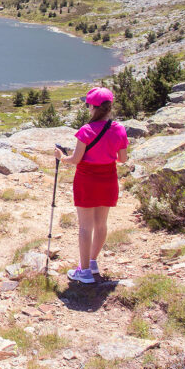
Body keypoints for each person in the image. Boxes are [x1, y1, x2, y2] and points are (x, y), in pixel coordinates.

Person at [54, 87, 128, 284]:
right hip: (108, 179)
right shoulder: (119, 129)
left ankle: (84, 271)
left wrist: (61, 157)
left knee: (85, 226)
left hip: (87, 181)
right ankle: (93, 262)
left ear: (93, 107)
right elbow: (122, 159)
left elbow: (76, 160)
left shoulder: (86, 131)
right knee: (101, 223)